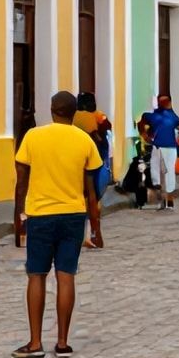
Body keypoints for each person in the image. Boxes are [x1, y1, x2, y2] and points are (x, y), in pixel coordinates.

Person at [11, 91, 102, 358]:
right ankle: (62, 342)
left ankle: (36, 341)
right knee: (66, 276)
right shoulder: (84, 140)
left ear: (51, 109)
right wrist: (95, 225)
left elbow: (21, 179)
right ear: (74, 112)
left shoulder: (33, 137)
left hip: (40, 214)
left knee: (36, 275)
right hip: (73, 214)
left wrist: (19, 215)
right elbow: (91, 187)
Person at [71, 92, 112, 249]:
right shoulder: (93, 117)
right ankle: (94, 233)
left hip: (76, 162)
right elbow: (102, 133)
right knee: (93, 198)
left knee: (82, 198)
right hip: (94, 162)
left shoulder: (74, 118)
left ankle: (83, 235)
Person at [142, 93, 179, 210]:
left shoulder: (173, 117)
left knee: (169, 173)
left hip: (170, 148)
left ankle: (169, 200)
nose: (162, 104)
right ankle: (161, 199)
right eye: (161, 101)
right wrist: (145, 135)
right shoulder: (155, 116)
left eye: (165, 101)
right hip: (158, 147)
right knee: (156, 173)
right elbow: (143, 119)